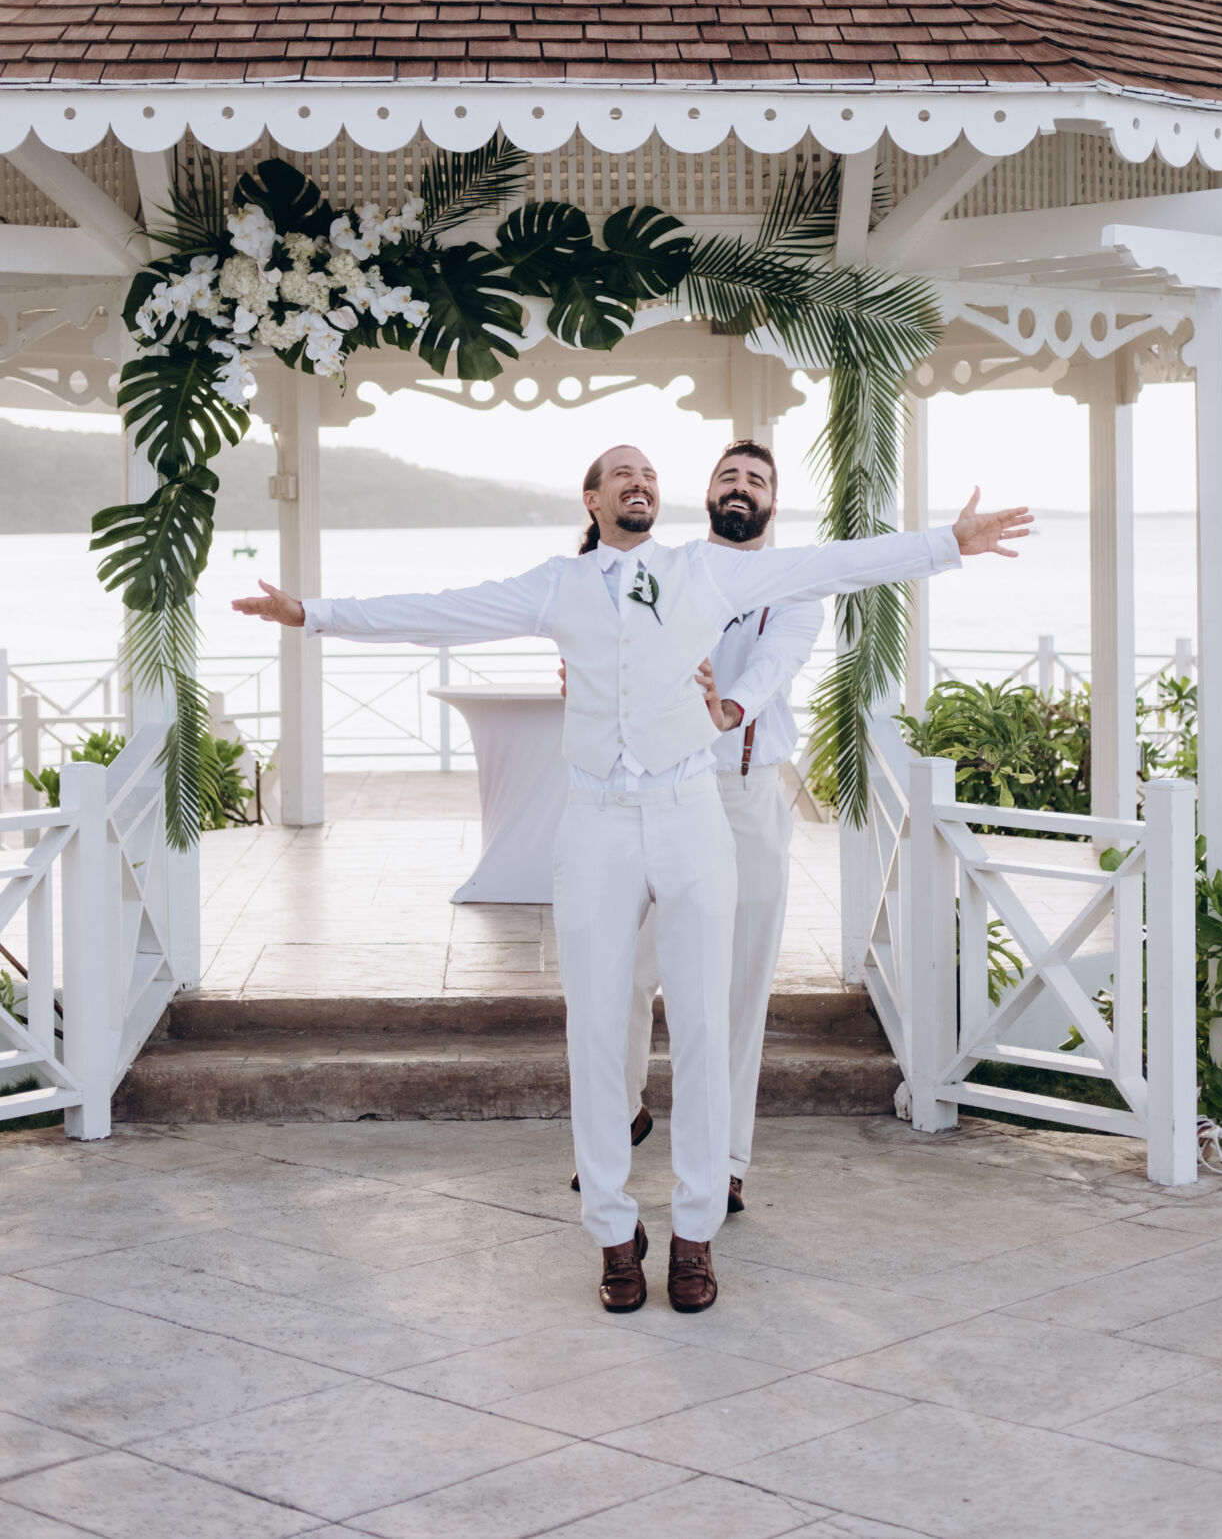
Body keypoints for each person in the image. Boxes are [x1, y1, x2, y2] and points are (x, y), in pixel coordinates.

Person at [234, 448, 1031, 1317]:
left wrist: (947, 543)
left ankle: (695, 1231)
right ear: (593, 498)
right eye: (619, 472)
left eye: (647, 471)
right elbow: (444, 611)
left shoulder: (705, 571)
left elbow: (836, 564)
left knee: (702, 1021)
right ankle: (614, 1233)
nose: (637, 480)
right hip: (596, 821)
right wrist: (312, 614)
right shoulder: (558, 585)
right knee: (594, 1021)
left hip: (692, 814)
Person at [617, 438, 823, 1220]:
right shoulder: (666, 571)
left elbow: (776, 664)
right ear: (708, 494)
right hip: (663, 793)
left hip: (745, 796)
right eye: (728, 476)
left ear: (772, 503)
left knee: (738, 990)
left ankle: (726, 1159)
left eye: (756, 480)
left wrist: (729, 707)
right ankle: (622, 1112)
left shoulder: (795, 586)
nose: (741, 487)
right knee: (626, 968)